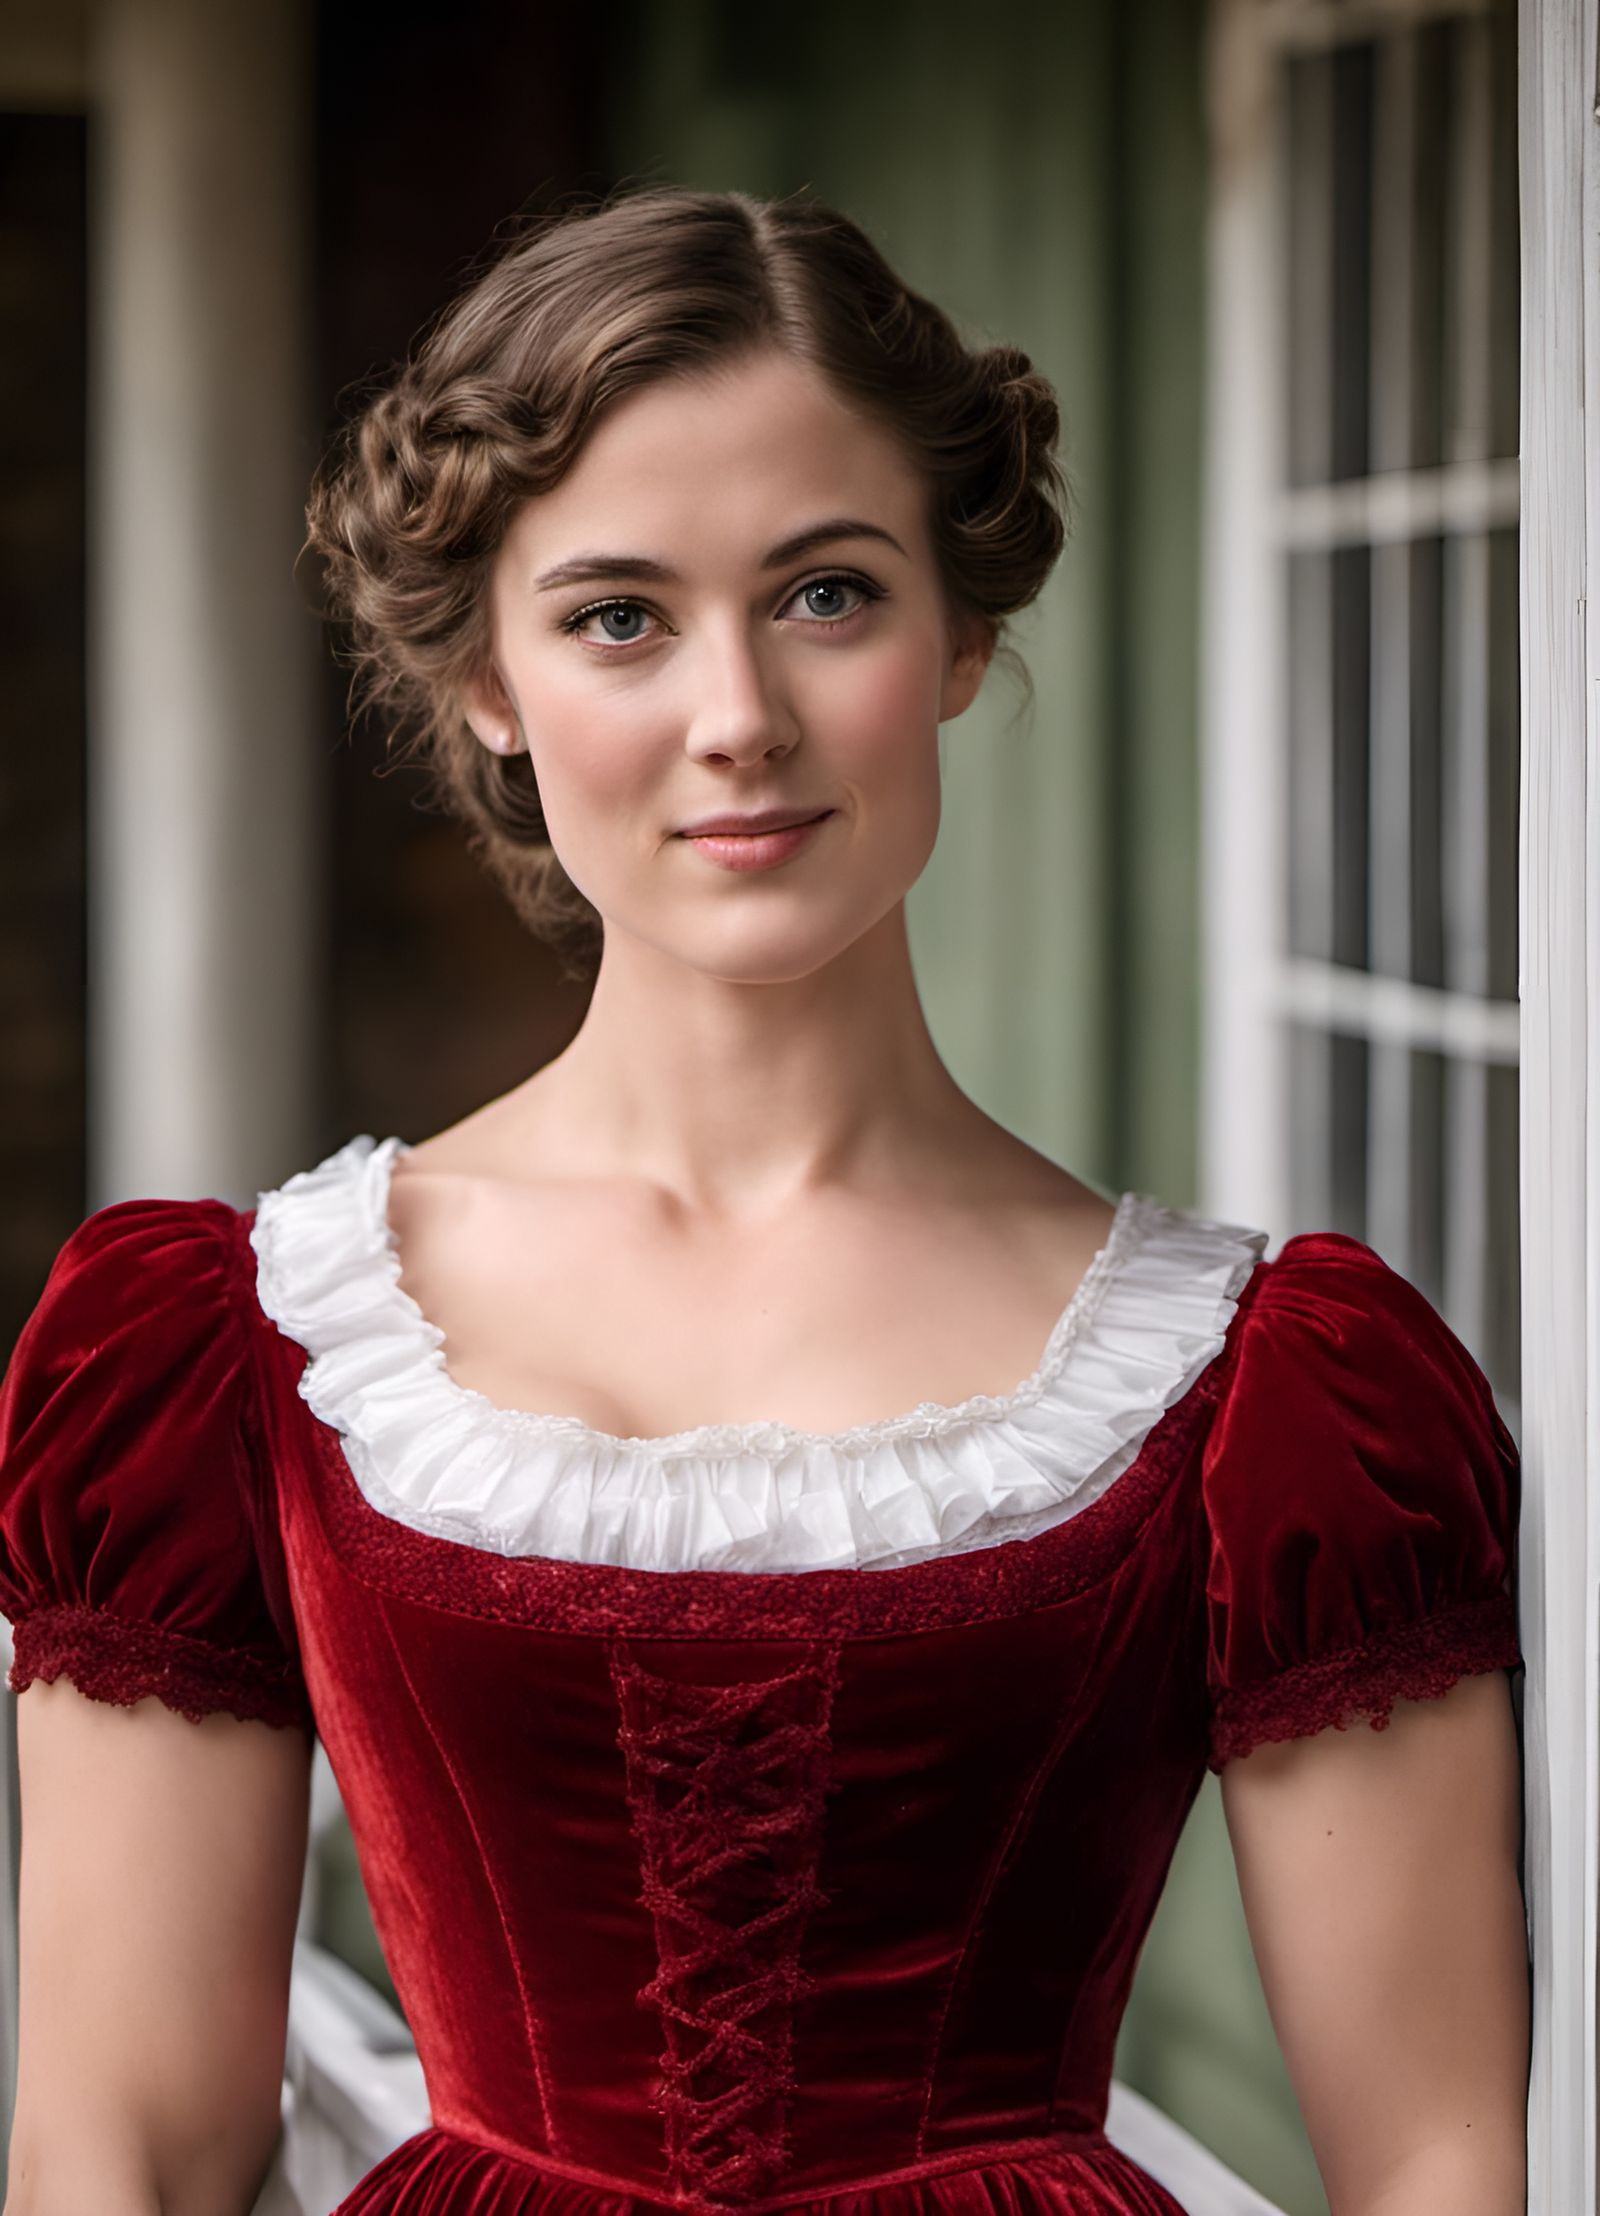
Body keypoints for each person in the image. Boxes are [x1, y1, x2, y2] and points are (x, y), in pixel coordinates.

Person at [0, 186, 1528, 2216]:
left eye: (824, 592)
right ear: (484, 678)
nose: (736, 716)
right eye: (617, 615)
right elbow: (125, 2148)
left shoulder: (1275, 1395)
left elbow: (1436, 2158)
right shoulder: (221, 1344)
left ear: (960, 634)